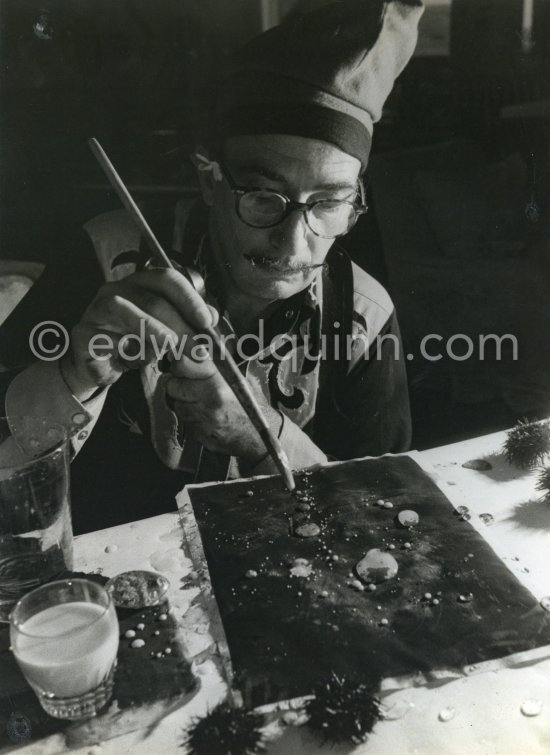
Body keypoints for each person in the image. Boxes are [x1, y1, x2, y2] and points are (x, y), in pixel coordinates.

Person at [0, 0, 422, 533]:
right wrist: (75, 374)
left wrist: (258, 434)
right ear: (209, 181)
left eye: (328, 203)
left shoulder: (364, 312)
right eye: (264, 197)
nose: (294, 243)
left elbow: (385, 514)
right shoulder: (108, 253)